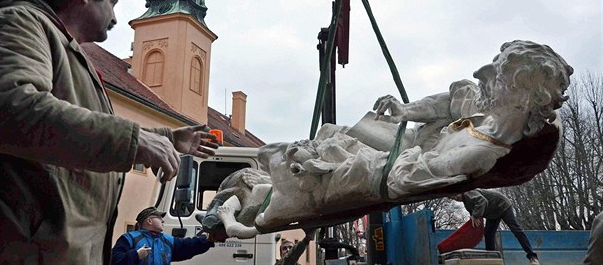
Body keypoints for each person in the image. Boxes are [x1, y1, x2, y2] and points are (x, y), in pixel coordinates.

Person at [0, 0, 219, 264]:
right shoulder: (20, 21)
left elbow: (88, 128)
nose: (117, 17)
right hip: (24, 252)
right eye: (113, 2)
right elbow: (13, 108)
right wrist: (136, 140)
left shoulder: (72, 55)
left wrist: (169, 138)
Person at [206, 40, 572, 238]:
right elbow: (449, 100)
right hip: (398, 145)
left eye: (497, 71)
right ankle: (241, 195)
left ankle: (235, 202)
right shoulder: (484, 110)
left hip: (382, 167)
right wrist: (405, 110)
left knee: (290, 150)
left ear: (522, 96)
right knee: (323, 137)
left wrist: (335, 161)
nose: (482, 72)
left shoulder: (476, 154)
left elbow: (402, 179)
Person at [450, 189, 540, 265]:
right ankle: (491, 260)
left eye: (455, 195)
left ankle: (532, 257)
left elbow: (482, 201)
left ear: (460, 191)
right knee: (488, 234)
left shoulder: (468, 192)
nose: (455, 198)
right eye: (452, 198)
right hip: (493, 214)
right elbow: (476, 221)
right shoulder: (467, 205)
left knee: (516, 229)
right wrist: (477, 233)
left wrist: (475, 215)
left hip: (502, 205)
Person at [111, 206, 214, 265]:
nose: (163, 220)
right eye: (159, 217)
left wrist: (210, 238)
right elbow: (115, 261)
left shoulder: (167, 240)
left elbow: (190, 245)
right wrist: (136, 255)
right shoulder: (129, 239)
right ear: (149, 221)